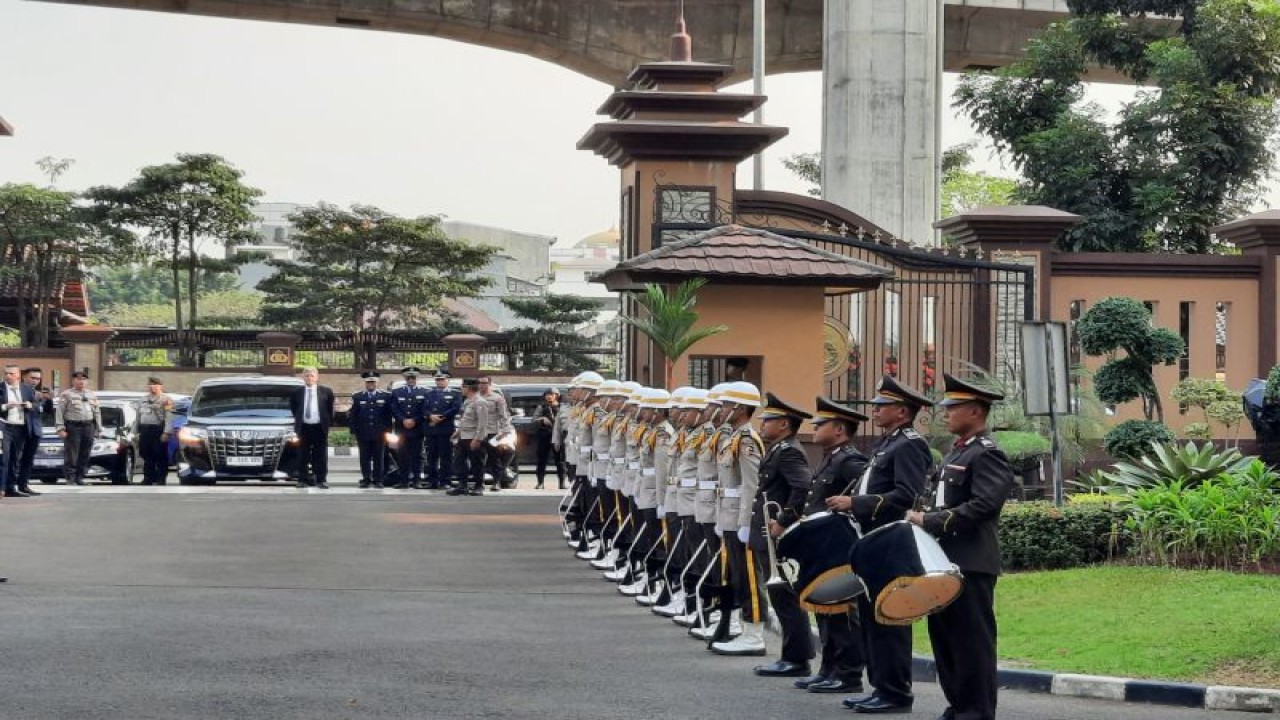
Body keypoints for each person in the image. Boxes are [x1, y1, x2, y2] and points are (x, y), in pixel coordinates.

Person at [907, 373, 1014, 720]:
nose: (946, 414)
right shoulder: (959, 452)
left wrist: (929, 521)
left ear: (974, 412)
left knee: (971, 643)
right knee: (946, 641)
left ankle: (977, 711)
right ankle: (958, 705)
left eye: (953, 408)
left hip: (970, 561)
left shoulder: (987, 454)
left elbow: (984, 505)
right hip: (943, 562)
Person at [831, 375, 934, 715]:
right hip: (872, 542)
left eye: (882, 406)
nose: (875, 411)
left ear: (902, 412)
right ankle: (880, 687)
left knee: (888, 619)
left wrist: (856, 504)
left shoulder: (909, 444)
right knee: (872, 617)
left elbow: (907, 495)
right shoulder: (888, 442)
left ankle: (895, 691)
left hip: (890, 542)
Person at [785, 397, 869, 696]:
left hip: (838, 547)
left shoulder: (850, 460)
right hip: (822, 547)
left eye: (821, 424)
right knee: (824, 608)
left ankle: (848, 674)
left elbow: (862, 495)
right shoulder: (832, 457)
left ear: (840, 430)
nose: (814, 428)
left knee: (842, 610)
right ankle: (829, 668)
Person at [752, 392, 816, 678]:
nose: (762, 424)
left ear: (785, 425)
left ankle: (796, 658)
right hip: (767, 533)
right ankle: (793, 656)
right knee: (780, 596)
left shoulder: (788, 451)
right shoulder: (778, 449)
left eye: (768, 420)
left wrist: (783, 520)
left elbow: (802, 487)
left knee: (785, 597)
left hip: (778, 534)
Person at [709, 381, 768, 657]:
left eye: (727, 405)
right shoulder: (732, 437)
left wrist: (747, 522)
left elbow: (751, 485)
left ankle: (754, 632)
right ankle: (741, 626)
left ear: (741, 408)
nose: (721, 410)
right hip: (729, 516)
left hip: (740, 519)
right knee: (734, 575)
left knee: (748, 578)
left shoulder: (746, 441)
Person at [54, 369, 103, 487]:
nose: (81, 381)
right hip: (73, 426)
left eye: (84, 379)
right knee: (72, 453)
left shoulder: (91, 394)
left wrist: (99, 428)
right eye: (78, 379)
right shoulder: (67, 394)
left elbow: (96, 412)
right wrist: (60, 428)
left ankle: (80, 477)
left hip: (88, 426)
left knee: (85, 453)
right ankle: (70, 477)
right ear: (73, 380)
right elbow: (60, 412)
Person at [289, 367, 335, 489]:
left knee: (320, 455)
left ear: (317, 377)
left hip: (319, 427)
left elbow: (330, 410)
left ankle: (321, 480)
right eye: (307, 375)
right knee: (302, 454)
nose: (309, 378)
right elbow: (294, 409)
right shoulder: (297, 392)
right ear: (303, 377)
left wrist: (327, 423)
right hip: (303, 427)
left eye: (312, 375)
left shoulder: (326, 391)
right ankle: (302, 480)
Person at [3, 364, 44, 496]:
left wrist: (30, 405)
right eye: (6, 373)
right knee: (5, 458)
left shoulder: (26, 389)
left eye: (11, 373)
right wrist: (5, 406)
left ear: (17, 375)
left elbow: (37, 406)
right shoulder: (0, 388)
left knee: (16, 458)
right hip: (4, 427)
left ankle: (12, 487)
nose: (7, 376)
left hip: (21, 428)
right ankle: (4, 488)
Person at [349, 371, 392, 488]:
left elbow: (388, 415)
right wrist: (353, 430)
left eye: (373, 382)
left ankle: (378, 479)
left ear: (377, 382)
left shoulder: (386, 396)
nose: (371, 384)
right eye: (368, 382)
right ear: (365, 383)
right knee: (364, 457)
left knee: (379, 457)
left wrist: (388, 432)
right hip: (363, 432)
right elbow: (353, 415)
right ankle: (366, 479)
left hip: (380, 433)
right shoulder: (357, 396)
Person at [14, 367, 52, 496]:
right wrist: (36, 405)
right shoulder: (17, 390)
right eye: (33, 378)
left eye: (38, 378)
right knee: (15, 458)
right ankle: (11, 485)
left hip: (34, 429)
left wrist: (49, 399)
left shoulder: (39, 393)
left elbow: (47, 412)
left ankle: (23, 484)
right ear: (24, 377)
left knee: (28, 459)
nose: (35, 381)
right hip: (19, 428)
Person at [450, 378, 491, 496]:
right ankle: (462, 485)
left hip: (474, 437)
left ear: (468, 388)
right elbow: (465, 420)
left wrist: (477, 439)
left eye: (462, 387)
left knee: (477, 463)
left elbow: (482, 423)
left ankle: (479, 486)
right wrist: (458, 432)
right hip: (464, 436)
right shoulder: (467, 401)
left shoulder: (480, 402)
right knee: (459, 461)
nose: (461, 389)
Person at [422, 370, 461, 489]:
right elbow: (423, 408)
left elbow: (455, 408)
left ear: (448, 380)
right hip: (431, 429)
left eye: (442, 379)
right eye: (438, 379)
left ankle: (445, 481)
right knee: (431, 456)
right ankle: (432, 481)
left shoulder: (455, 394)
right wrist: (430, 416)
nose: (440, 382)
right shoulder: (428, 393)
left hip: (445, 429)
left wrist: (441, 417)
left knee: (446, 456)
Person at [390, 367, 428, 489]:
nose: (411, 379)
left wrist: (414, 420)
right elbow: (394, 409)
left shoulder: (424, 392)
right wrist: (403, 419)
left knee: (417, 455)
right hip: (402, 428)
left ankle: (416, 480)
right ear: (405, 378)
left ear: (417, 378)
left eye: (413, 377)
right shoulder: (397, 392)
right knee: (402, 455)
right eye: (409, 377)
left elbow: (425, 409)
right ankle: (404, 481)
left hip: (417, 428)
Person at [137, 376, 175, 486]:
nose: (151, 386)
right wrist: (135, 431)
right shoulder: (143, 399)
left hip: (159, 430)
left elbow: (169, 417)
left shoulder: (166, 400)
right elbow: (138, 417)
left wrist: (166, 432)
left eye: (154, 384)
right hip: (145, 430)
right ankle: (148, 478)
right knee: (146, 454)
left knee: (160, 455)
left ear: (160, 386)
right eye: (150, 384)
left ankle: (161, 478)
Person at [533, 387, 564, 489]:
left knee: (560, 460)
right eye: (547, 394)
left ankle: (562, 482)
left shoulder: (561, 407)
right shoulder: (541, 407)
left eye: (552, 394)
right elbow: (534, 420)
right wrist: (542, 419)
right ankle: (540, 482)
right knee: (542, 459)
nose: (549, 396)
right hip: (544, 435)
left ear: (557, 396)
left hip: (558, 436)